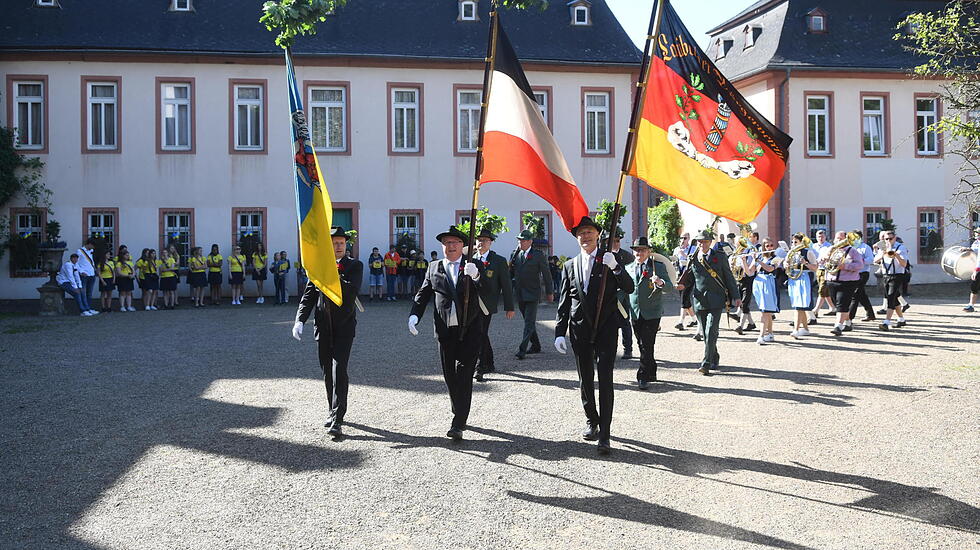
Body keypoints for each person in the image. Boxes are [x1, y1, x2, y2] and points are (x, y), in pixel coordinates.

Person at [554, 216, 634, 455]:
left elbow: (628, 287)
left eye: (589, 232)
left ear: (597, 235)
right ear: (577, 238)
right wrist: (559, 331)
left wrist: (616, 267)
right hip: (579, 329)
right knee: (585, 378)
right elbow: (564, 301)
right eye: (581, 233)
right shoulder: (570, 266)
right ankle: (592, 420)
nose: (585, 237)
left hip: (606, 329)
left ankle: (606, 434)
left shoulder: (610, 259)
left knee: (605, 379)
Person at [408, 226, 484, 441]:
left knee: (465, 374)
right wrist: (415, 315)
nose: (450, 247)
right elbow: (423, 294)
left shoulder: (473, 265)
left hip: (469, 328)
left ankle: (458, 422)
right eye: (446, 243)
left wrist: (476, 276)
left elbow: (487, 290)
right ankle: (457, 410)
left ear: (463, 246)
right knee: (449, 375)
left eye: (454, 243)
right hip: (444, 329)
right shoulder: (433, 267)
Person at [293, 226, 364, 438]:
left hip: (344, 327)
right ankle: (331, 409)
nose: (339, 246)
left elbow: (350, 291)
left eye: (342, 243)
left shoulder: (354, 265)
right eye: (334, 243)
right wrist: (300, 320)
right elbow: (309, 296)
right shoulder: (318, 269)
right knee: (327, 372)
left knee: (338, 369)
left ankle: (338, 418)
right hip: (323, 326)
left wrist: (331, 272)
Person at [675, 230, 741, 374]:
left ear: (710, 242)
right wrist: (682, 286)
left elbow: (728, 277)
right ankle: (714, 355)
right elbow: (690, 279)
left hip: (717, 300)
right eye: (699, 241)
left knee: (711, 330)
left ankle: (706, 362)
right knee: (706, 333)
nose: (702, 244)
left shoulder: (720, 257)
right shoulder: (693, 258)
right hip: (699, 301)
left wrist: (736, 296)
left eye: (704, 241)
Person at [626, 237, 673, 388]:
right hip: (635, 312)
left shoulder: (657, 267)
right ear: (634, 252)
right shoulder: (628, 268)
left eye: (643, 250)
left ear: (649, 251)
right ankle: (652, 370)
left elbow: (670, 287)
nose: (640, 252)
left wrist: (660, 282)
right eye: (637, 250)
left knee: (646, 343)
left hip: (652, 312)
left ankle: (642, 376)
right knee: (642, 344)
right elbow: (624, 290)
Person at [472, 228, 516, 382]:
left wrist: (509, 306)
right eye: (479, 240)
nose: (480, 243)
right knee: (480, 333)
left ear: (490, 243)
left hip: (487, 304)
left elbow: (506, 285)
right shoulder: (470, 259)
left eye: (484, 240)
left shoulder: (498, 260)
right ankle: (489, 362)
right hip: (472, 303)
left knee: (480, 333)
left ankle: (480, 367)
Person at [510, 229, 553, 360]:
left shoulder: (538, 255)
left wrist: (550, 292)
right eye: (519, 240)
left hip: (533, 293)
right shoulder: (515, 254)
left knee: (529, 322)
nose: (520, 242)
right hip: (520, 293)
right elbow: (511, 273)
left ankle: (522, 350)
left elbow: (547, 274)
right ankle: (536, 345)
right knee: (529, 321)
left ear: (530, 242)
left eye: (523, 240)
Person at [608, 231, 635, 359]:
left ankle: (628, 349)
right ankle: (610, 350)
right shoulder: (603, 255)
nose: (615, 243)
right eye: (613, 241)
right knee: (609, 324)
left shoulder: (627, 256)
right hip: (608, 296)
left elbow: (631, 276)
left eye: (617, 241)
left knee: (625, 322)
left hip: (622, 295)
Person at [875, 230, 909, 331]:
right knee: (894, 298)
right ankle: (901, 319)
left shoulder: (901, 247)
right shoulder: (883, 247)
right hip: (886, 275)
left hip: (897, 275)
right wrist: (882, 254)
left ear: (895, 238)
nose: (888, 241)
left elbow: (904, 264)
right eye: (886, 239)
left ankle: (886, 322)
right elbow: (875, 261)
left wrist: (896, 255)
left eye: (890, 239)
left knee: (890, 297)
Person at [786, 233, 818, 338]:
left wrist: (806, 263)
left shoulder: (808, 252)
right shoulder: (791, 252)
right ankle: (805, 329)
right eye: (792, 242)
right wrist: (786, 264)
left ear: (801, 242)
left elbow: (816, 268)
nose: (793, 244)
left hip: (804, 277)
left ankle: (796, 329)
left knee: (799, 306)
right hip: (794, 278)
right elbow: (786, 264)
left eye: (796, 242)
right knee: (798, 305)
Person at [750, 239, 781, 344]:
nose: (770, 247)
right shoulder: (759, 257)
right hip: (758, 283)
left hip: (768, 283)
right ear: (763, 247)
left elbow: (770, 269)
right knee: (766, 311)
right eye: (767, 246)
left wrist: (758, 261)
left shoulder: (776, 258)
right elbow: (749, 272)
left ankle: (761, 336)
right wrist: (745, 260)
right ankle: (770, 334)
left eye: (772, 245)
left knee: (765, 311)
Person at [848, 230, 877, 322]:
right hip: (852, 273)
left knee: (855, 295)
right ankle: (870, 314)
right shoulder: (850, 247)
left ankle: (849, 318)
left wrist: (860, 260)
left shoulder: (865, 247)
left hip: (862, 273)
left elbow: (871, 260)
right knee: (861, 295)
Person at [673, 232, 699, 331]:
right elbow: (674, 261)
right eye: (681, 238)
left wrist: (683, 254)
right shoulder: (676, 249)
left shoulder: (692, 248)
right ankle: (694, 319)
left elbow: (693, 260)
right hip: (679, 275)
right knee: (685, 299)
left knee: (684, 298)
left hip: (689, 276)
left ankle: (680, 322)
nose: (682, 240)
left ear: (688, 239)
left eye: (685, 238)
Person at [811, 230, 835, 319]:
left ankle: (816, 310)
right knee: (825, 290)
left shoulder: (829, 246)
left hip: (826, 270)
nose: (820, 238)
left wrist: (825, 259)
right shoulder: (813, 246)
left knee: (822, 289)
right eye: (819, 237)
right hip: (817, 269)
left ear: (825, 237)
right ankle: (833, 308)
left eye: (822, 237)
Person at [75, 239, 98, 315]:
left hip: (91, 274)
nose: (93, 248)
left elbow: (91, 262)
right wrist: (81, 272)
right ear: (89, 244)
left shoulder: (91, 251)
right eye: (93, 246)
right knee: (83, 293)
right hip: (84, 275)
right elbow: (76, 263)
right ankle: (84, 309)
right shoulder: (79, 251)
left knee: (89, 293)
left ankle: (88, 307)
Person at [965, 228, 980, 312]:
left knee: (974, 286)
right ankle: (971, 305)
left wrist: (976, 270)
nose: (976, 234)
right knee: (974, 287)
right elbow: (974, 251)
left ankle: (971, 305)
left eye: (977, 233)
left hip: (979, 268)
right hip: (977, 267)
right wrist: (967, 249)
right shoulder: (976, 242)